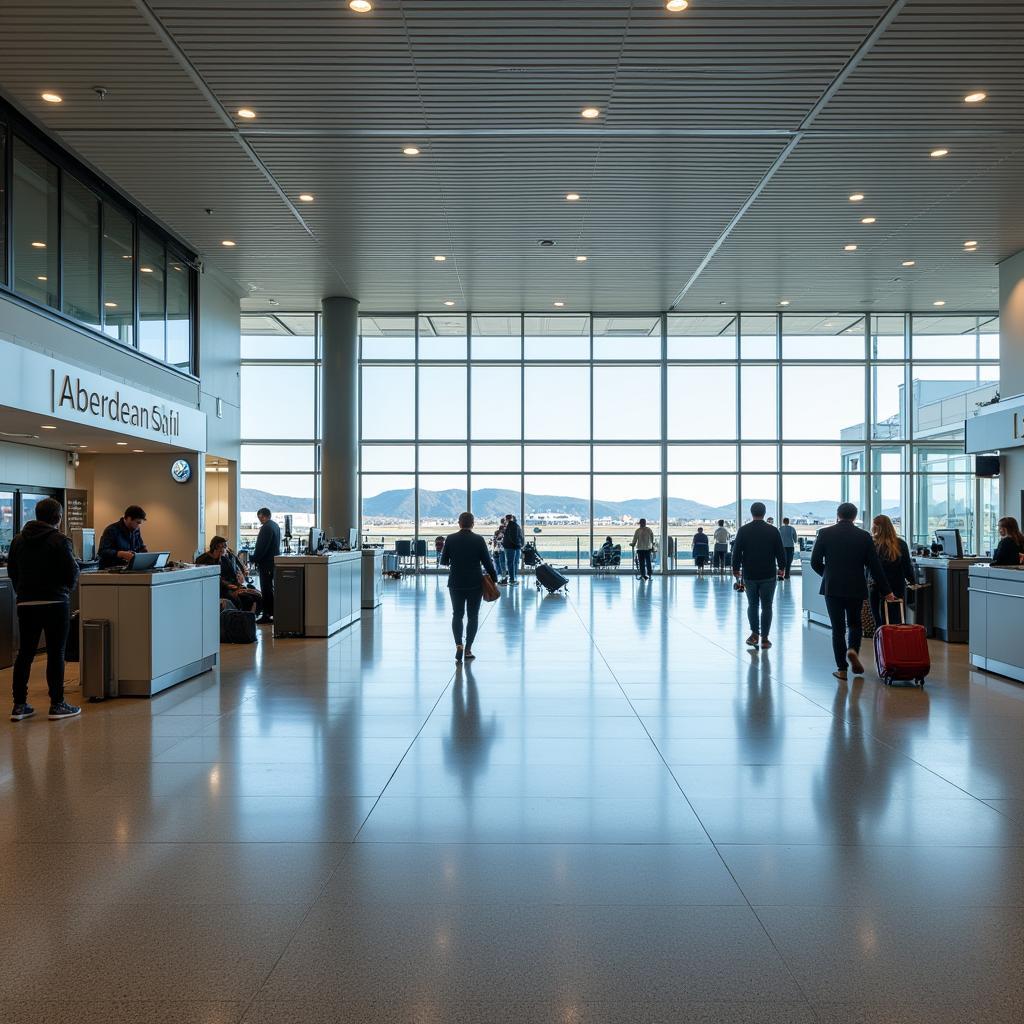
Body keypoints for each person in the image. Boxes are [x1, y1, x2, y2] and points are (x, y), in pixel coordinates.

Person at [7, 497, 81, 721]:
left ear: (36, 515)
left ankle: (19, 705)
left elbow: (12, 571)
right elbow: (71, 572)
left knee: (25, 654)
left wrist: (23, 592)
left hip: (26, 603)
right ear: (58, 518)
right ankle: (57, 704)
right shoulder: (60, 540)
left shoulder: (18, 540)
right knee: (56, 653)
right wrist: (65, 590)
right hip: (55, 603)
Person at [811, 503, 894, 681]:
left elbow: (815, 561)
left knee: (838, 629)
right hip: (856, 586)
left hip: (832, 587)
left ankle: (842, 669)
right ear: (855, 517)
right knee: (855, 624)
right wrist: (887, 591)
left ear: (838, 514)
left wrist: (828, 574)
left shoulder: (825, 533)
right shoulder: (864, 536)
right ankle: (852, 650)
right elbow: (875, 567)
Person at [440, 511, 497, 663]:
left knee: (457, 614)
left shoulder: (451, 539)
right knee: (473, 616)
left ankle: (458, 644)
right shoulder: (478, 540)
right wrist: (494, 578)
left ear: (459, 523)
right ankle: (468, 649)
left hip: (456, 582)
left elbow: (443, 561)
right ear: (473, 523)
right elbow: (487, 562)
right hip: (474, 583)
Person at [731, 502, 786, 649]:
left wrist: (735, 569)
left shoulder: (743, 530)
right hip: (768, 573)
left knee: (753, 605)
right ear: (764, 512)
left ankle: (755, 634)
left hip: (750, 574)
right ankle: (765, 639)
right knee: (767, 606)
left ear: (751, 512)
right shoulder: (773, 531)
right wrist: (782, 568)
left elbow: (736, 552)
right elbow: (780, 552)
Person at [870, 514, 916, 628]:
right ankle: (895, 643)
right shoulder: (900, 544)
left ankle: (881, 642)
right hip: (896, 587)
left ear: (875, 527)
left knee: (879, 620)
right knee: (896, 620)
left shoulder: (872, 544)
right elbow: (907, 567)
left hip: (876, 587)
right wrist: (913, 582)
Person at [198, 536, 263, 614]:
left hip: (233, 585)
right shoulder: (203, 559)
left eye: (225, 546)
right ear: (214, 547)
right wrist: (227, 585)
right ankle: (241, 619)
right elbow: (209, 577)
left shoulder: (228, 556)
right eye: (221, 546)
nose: (224, 549)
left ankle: (248, 619)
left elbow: (238, 570)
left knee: (256, 596)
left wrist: (241, 576)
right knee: (245, 599)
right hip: (219, 588)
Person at [251, 507, 280, 625]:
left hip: (266, 564)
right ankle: (272, 613)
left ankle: (267, 615)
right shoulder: (275, 526)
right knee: (269, 589)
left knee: (266, 589)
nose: (259, 520)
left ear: (263, 516)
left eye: (260, 517)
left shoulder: (266, 527)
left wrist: (253, 558)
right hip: (272, 562)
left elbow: (262, 547)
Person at [97, 504, 148, 569]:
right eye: (137, 522)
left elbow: (140, 548)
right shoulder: (111, 530)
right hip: (110, 571)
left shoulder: (136, 530)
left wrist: (143, 552)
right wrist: (120, 554)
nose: (138, 526)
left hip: (127, 569)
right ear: (129, 518)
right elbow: (102, 552)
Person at [502, 512, 524, 585]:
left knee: (510, 562)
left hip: (510, 547)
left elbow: (511, 537)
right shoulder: (516, 526)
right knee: (515, 562)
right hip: (516, 547)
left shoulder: (509, 526)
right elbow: (520, 536)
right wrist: (520, 544)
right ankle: (514, 577)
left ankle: (512, 578)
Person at [492, 517, 507, 583]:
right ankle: (503, 577)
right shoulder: (504, 532)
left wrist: (494, 548)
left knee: (498, 563)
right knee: (502, 563)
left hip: (497, 550)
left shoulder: (497, 532)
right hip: (502, 550)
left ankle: (500, 576)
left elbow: (494, 541)